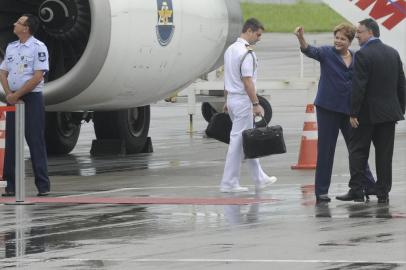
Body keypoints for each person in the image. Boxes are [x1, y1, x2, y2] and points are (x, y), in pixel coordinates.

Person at [294, 23, 375, 203]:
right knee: (326, 150)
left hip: (349, 111)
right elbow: (309, 50)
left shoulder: (356, 57)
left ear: (350, 41)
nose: (338, 41)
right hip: (328, 109)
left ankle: (369, 185)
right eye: (336, 37)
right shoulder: (326, 53)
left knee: (356, 150)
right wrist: (301, 38)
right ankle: (321, 191)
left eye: (342, 39)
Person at [336, 18, 405, 204]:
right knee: (384, 155)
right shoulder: (393, 53)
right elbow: (401, 84)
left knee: (358, 151)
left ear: (370, 33)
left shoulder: (363, 55)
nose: (356, 36)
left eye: (359, 32)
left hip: (366, 114)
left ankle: (357, 190)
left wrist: (353, 113)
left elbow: (359, 87)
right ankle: (383, 192)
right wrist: (400, 109)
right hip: (389, 114)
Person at [220, 18, 277, 193]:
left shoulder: (231, 50)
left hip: (233, 99)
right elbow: (247, 82)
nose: (259, 38)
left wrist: (226, 99)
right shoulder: (246, 53)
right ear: (250, 31)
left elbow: (227, 77)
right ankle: (229, 183)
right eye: (258, 34)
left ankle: (259, 178)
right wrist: (256, 103)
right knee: (238, 142)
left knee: (249, 138)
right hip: (243, 101)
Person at [0, 14, 51, 197]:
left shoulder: (38, 48)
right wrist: (10, 95)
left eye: (19, 22)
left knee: (35, 140)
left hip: (31, 98)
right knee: (11, 141)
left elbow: (38, 76)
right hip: (13, 97)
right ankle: (11, 185)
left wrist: (18, 95)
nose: (14, 24)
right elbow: (3, 72)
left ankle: (43, 185)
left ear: (26, 28)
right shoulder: (12, 48)